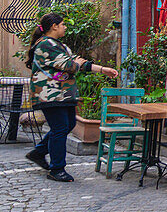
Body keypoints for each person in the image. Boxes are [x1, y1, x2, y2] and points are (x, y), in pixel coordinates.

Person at [25, 13, 119, 182]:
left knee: (69, 124)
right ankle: (57, 169)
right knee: (60, 128)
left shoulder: (58, 44)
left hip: (62, 94)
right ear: (54, 26)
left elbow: (76, 62)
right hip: (50, 94)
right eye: (62, 24)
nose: (65, 27)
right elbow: (70, 65)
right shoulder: (46, 44)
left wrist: (103, 69)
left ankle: (38, 152)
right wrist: (77, 63)